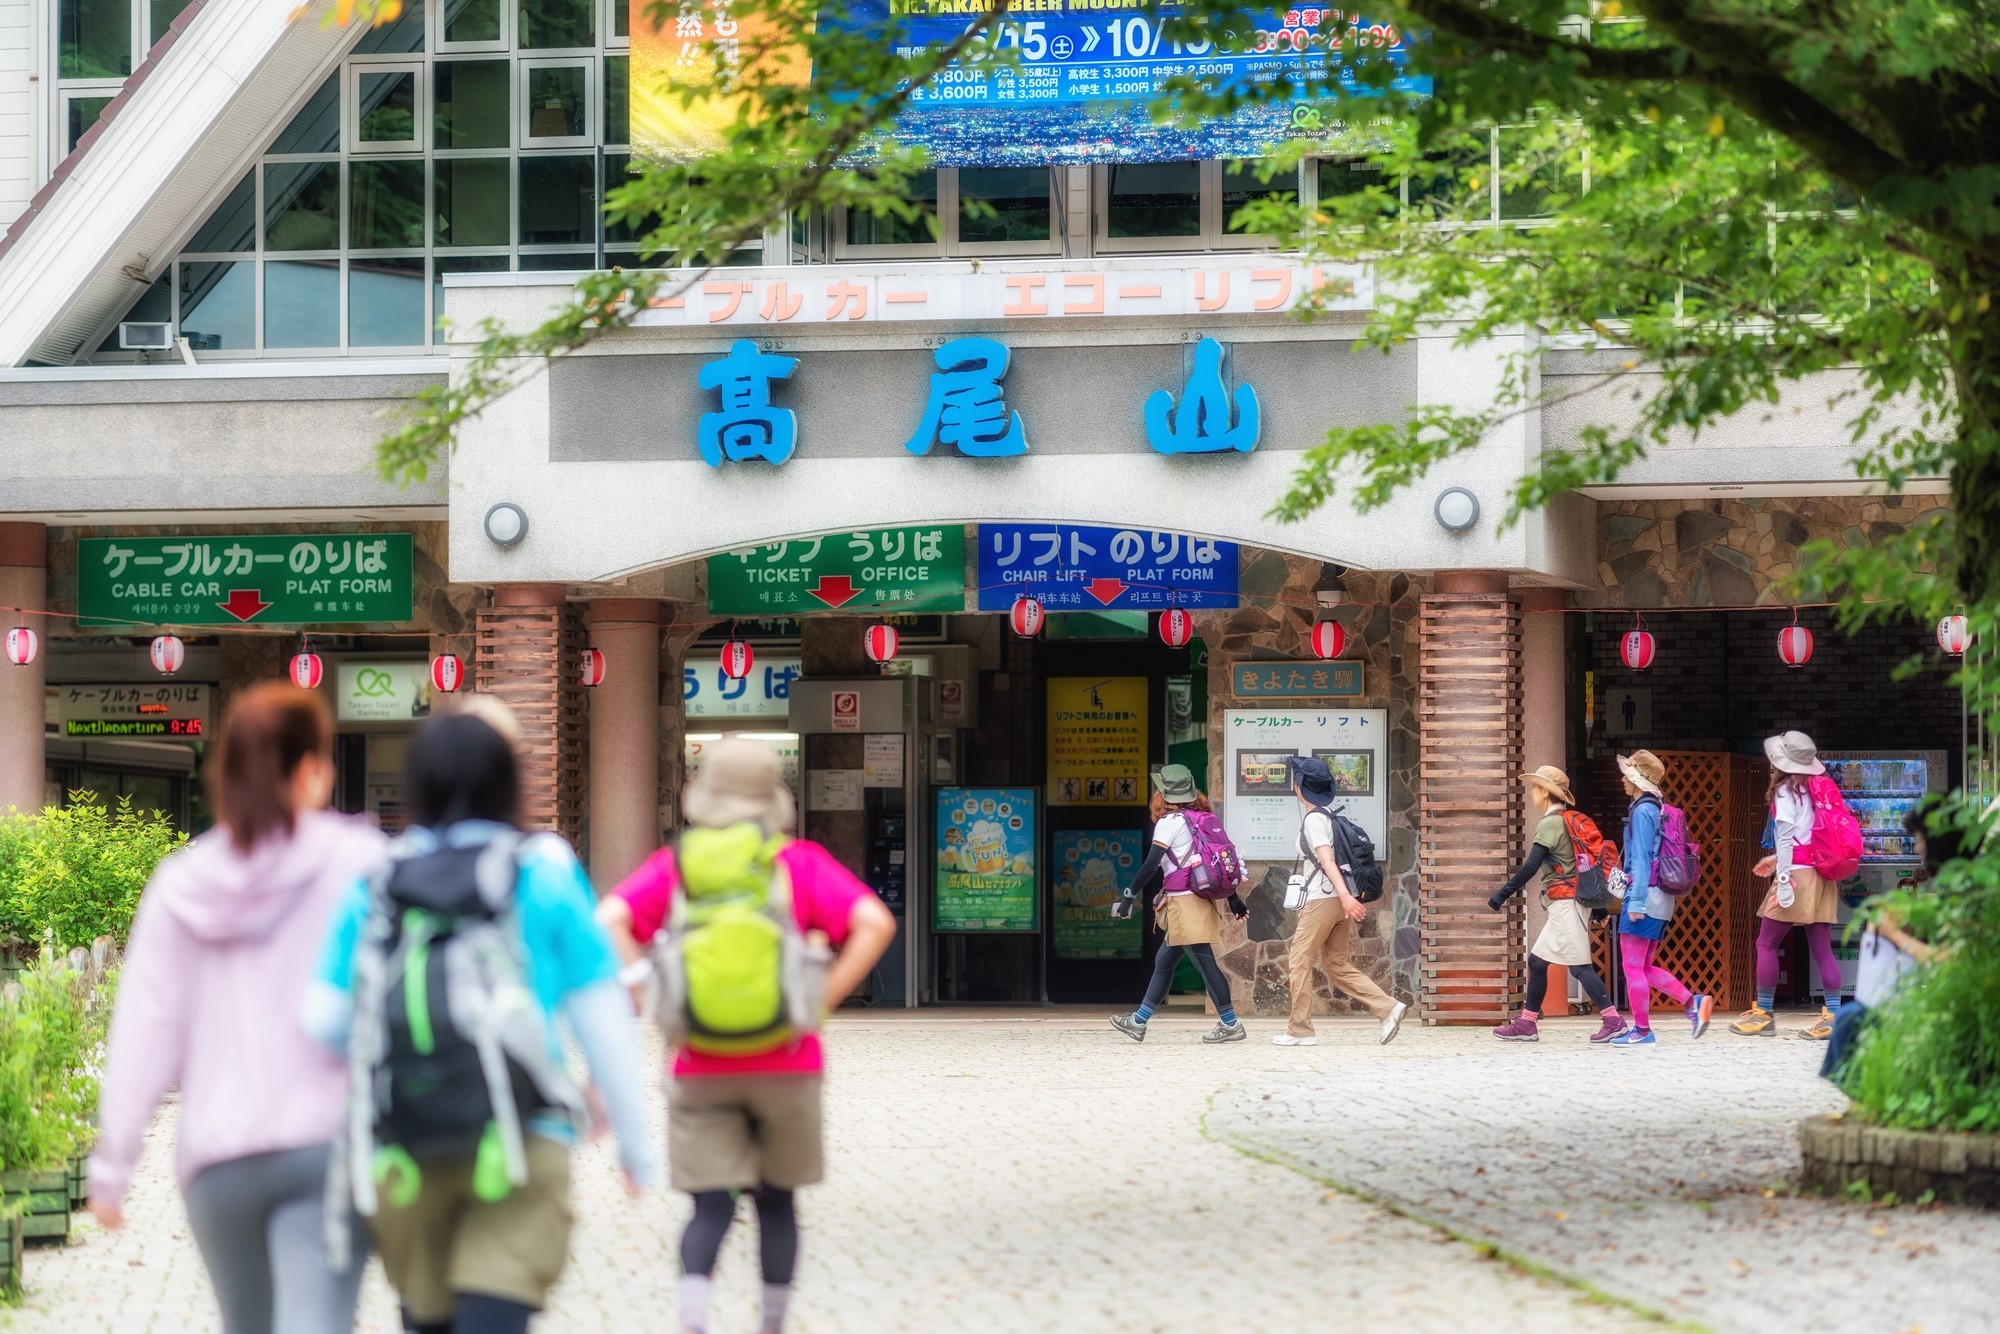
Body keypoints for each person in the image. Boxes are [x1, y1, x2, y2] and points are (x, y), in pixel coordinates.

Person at [305, 703, 657, 1334]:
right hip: (520, 1135)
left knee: (426, 1321)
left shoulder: (378, 880)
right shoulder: (543, 871)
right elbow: (604, 1020)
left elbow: (322, 1018)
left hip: (405, 1141)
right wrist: (633, 1144)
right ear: (510, 782)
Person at [88, 683, 388, 1334]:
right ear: (310, 770)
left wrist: (113, 1165)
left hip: (218, 1159)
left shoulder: (181, 883)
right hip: (328, 1144)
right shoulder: (361, 862)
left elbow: (145, 1030)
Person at [598, 738, 896, 1334]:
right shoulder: (798, 861)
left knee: (710, 1205)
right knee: (777, 1203)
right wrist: (821, 1001)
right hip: (789, 1061)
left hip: (698, 1065)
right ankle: (772, 1324)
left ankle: (692, 1320)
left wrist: (649, 996)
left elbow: (609, 918)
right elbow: (874, 922)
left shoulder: (679, 864)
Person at [1109, 764, 1249, 1044]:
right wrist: (1233, 897)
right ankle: (1139, 1021)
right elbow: (1221, 862)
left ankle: (1231, 1023)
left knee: (1205, 962)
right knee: (1164, 960)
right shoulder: (1204, 818)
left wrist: (1128, 895)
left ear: (1163, 793)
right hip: (1198, 900)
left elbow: (1150, 865)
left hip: (1185, 904)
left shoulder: (1169, 823)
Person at [1275, 755, 1408, 1047]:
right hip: (1335, 902)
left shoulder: (1314, 821)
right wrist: (1344, 897)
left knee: (1299, 960)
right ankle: (1388, 1007)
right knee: (1337, 965)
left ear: (1300, 786)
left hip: (1324, 901)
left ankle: (1300, 1030)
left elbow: (1328, 861)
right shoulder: (1330, 816)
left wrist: (1347, 896)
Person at [1486, 766, 1626, 1043]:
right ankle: (1527, 1023)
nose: (1533, 794)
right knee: (1537, 963)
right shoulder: (1568, 820)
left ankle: (1613, 1020)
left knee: (1579, 967)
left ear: (1545, 792)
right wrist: (1597, 908)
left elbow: (1530, 867)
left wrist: (1501, 895)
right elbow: (1582, 865)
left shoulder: (1550, 823)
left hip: (1565, 903)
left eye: (1535, 789)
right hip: (1568, 902)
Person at [1730, 731, 1846, 1038]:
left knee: (1766, 943)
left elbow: (1784, 838)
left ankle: (1763, 1014)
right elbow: (1808, 837)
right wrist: (1776, 861)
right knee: (1822, 949)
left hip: (1795, 875)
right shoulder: (1820, 788)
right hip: (1821, 873)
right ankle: (1833, 1016)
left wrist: (1782, 878)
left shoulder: (1785, 792)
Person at [1607, 751, 1713, 1047]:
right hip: (1662, 898)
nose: (1622, 779)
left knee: (1631, 968)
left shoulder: (1642, 811)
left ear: (1635, 779)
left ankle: (1642, 1031)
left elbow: (1640, 859)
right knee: (1644, 967)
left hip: (1645, 896)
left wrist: (1636, 903)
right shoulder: (1659, 808)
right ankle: (1694, 1002)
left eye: (1626, 774)